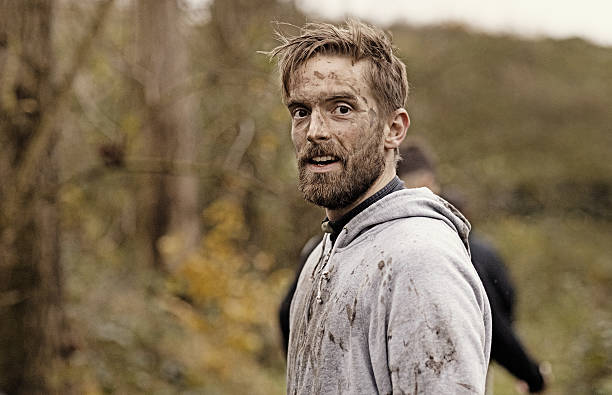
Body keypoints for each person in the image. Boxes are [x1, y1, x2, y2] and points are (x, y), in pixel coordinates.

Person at [269, 20, 491, 394]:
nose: (315, 131)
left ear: (394, 128)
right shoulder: (319, 256)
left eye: (341, 109)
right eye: (301, 111)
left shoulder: (420, 262)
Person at [279, 138, 547, 393]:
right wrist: (533, 376)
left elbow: (286, 314)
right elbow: (499, 328)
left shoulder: (325, 245)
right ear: (429, 182)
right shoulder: (433, 248)